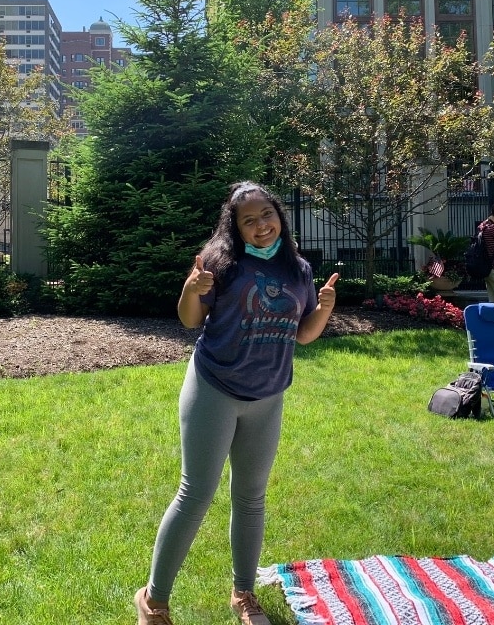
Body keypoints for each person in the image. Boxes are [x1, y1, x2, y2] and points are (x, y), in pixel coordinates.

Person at [134, 181, 340, 625]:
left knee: (251, 497)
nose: (261, 225)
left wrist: (323, 308)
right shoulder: (219, 264)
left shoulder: (297, 269)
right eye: (249, 220)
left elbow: (302, 334)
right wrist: (192, 288)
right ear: (237, 227)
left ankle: (243, 594)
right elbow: (191, 321)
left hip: (267, 395)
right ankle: (154, 600)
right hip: (215, 387)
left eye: (266, 214)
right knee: (196, 493)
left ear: (278, 215)